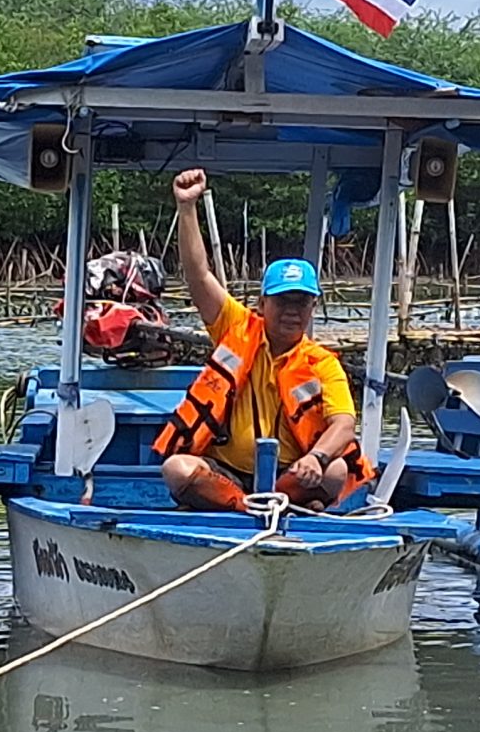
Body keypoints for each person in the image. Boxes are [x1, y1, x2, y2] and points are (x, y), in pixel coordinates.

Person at [155, 167, 369, 512]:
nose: (292, 310)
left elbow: (343, 424)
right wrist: (187, 208)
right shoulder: (235, 327)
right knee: (176, 469)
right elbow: (198, 276)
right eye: (283, 300)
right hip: (226, 472)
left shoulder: (322, 363)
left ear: (313, 306)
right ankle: (246, 507)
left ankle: (283, 501)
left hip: (292, 472)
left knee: (337, 471)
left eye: (301, 301)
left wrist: (316, 458)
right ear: (262, 303)